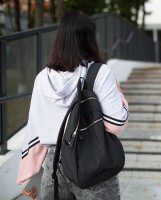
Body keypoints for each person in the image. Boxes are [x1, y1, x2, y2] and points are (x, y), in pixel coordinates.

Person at [16, 11, 129, 200]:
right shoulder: (100, 73)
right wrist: (121, 96)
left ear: (60, 39)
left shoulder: (43, 77)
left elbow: (35, 128)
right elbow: (116, 123)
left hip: (54, 164)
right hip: (92, 161)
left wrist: (31, 171)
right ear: (90, 39)